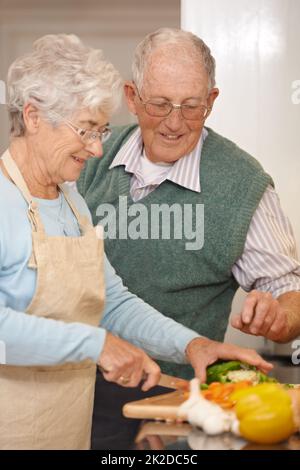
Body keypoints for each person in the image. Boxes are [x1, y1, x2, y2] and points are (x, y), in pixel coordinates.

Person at [0, 33, 270, 450]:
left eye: (101, 131)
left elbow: (110, 300)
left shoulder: (72, 201)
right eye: (86, 130)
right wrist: (98, 345)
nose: (95, 149)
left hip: (68, 429)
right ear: (34, 117)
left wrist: (191, 345)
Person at [77, 28, 300, 448]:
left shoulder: (243, 183)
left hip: (178, 400)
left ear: (212, 101)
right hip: (74, 389)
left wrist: (280, 318)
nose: (175, 123)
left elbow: (289, 292)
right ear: (132, 96)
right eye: (159, 104)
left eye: (192, 106)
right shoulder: (90, 156)